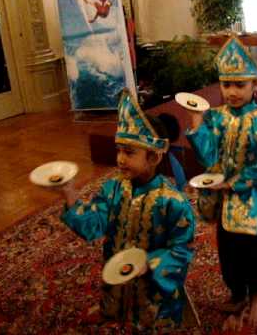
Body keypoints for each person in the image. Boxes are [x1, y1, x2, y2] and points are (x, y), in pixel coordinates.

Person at [59, 90, 196, 333]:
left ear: (153, 157)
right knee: (118, 312)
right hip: (118, 285)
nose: (120, 159)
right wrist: (70, 195)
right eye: (119, 150)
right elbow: (94, 224)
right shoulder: (113, 189)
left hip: (154, 293)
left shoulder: (173, 203)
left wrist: (150, 264)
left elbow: (182, 251)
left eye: (130, 152)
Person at [185, 36, 257, 328]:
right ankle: (237, 291)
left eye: (240, 85)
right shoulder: (215, 117)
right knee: (228, 250)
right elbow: (209, 157)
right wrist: (197, 124)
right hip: (222, 200)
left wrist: (232, 183)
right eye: (227, 85)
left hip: (252, 198)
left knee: (254, 249)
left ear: (255, 86)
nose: (232, 92)